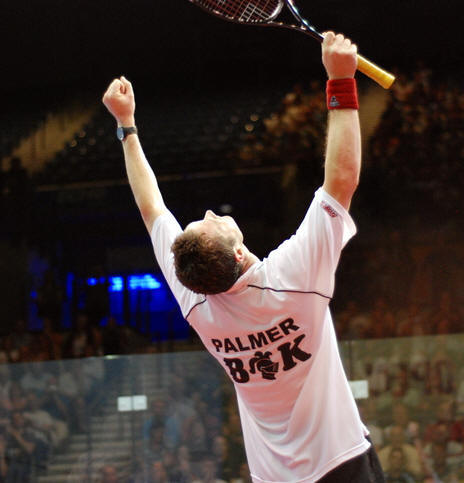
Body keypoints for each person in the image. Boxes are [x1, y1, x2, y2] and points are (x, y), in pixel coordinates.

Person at [102, 32, 384, 482]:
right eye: (209, 221)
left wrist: (127, 126)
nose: (209, 213)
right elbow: (342, 180)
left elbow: (151, 208)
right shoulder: (292, 276)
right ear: (237, 250)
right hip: (342, 462)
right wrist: (340, 81)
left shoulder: (196, 300)